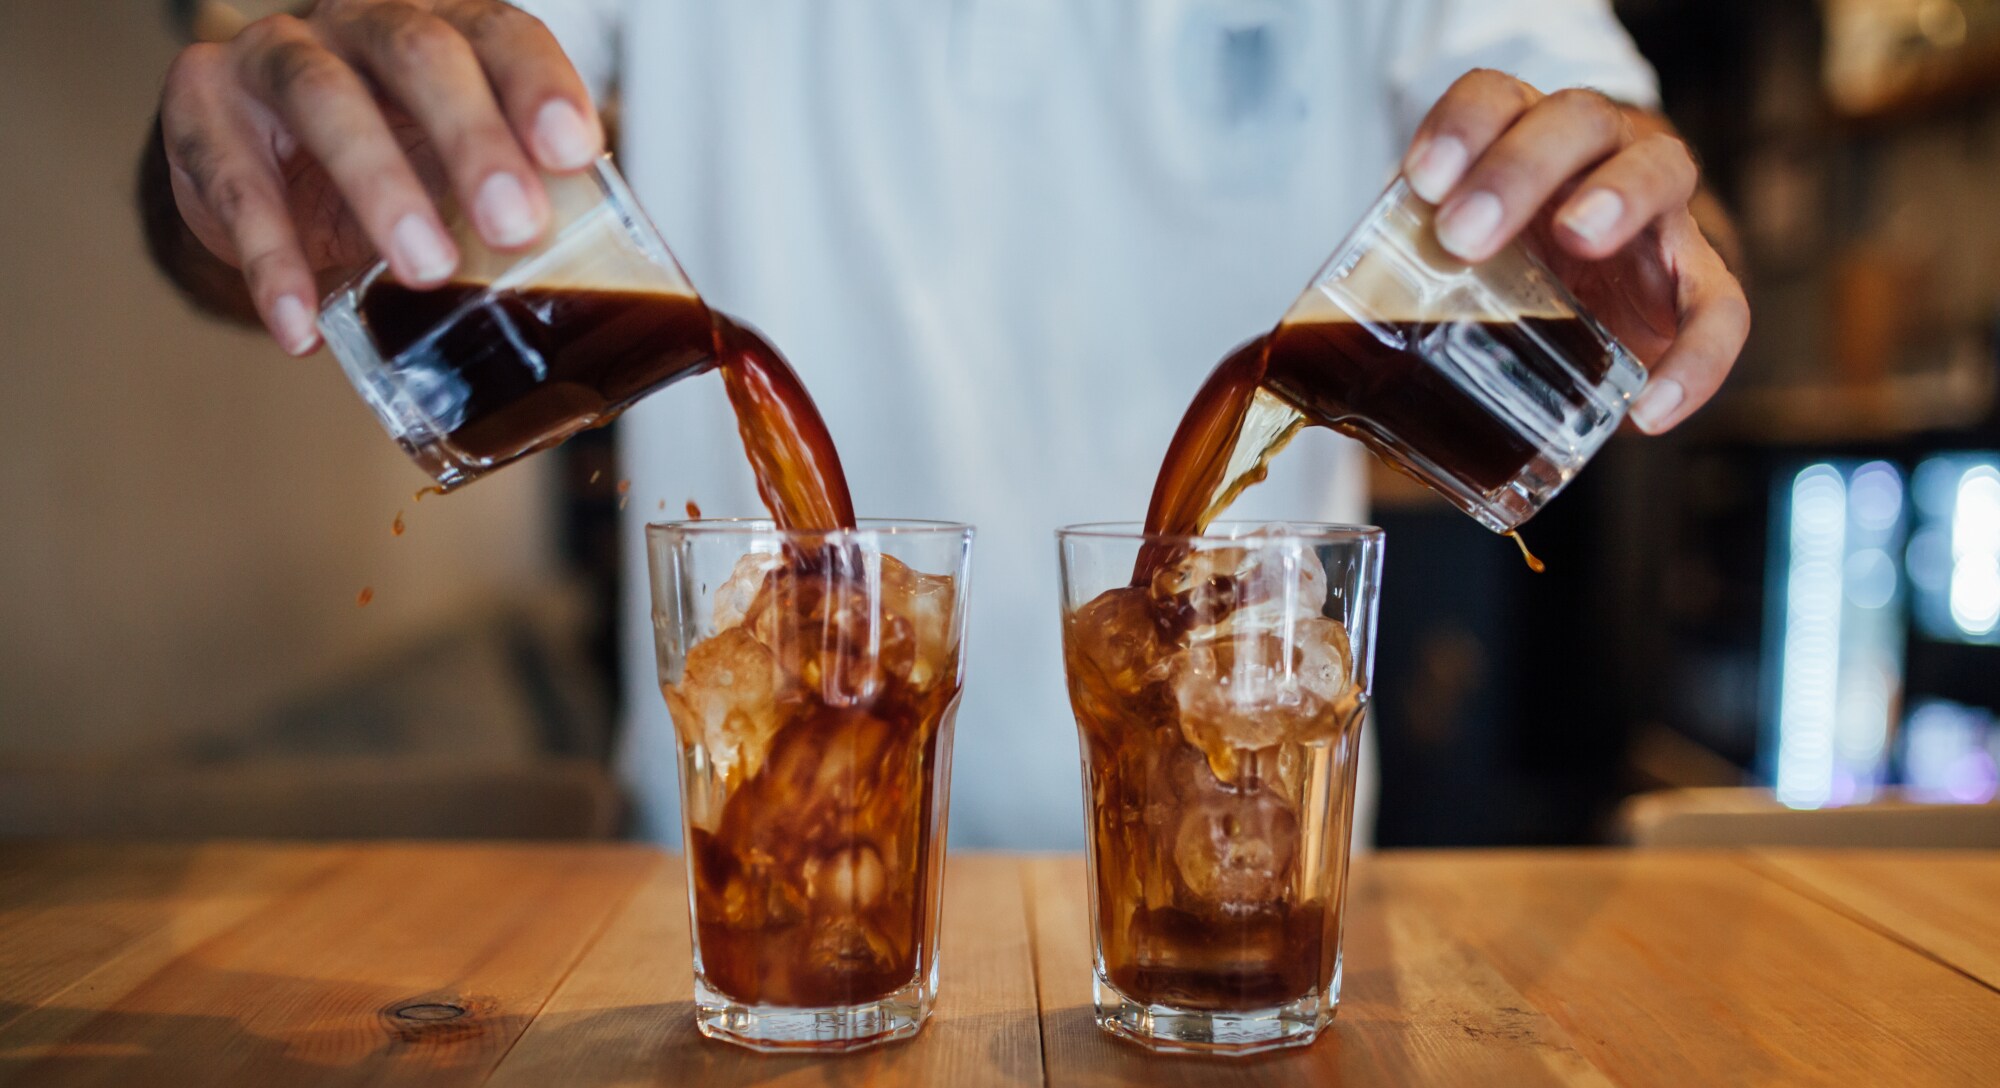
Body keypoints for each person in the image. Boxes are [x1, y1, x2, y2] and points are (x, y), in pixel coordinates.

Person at [140, 0, 1748, 849]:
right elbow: (307, 150)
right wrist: (243, 181)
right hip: (719, 907)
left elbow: (1628, 165)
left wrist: (1644, 221)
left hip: (1245, 893)